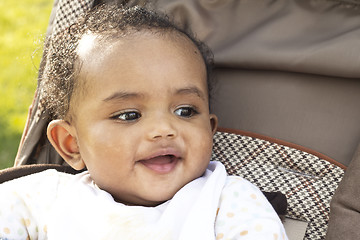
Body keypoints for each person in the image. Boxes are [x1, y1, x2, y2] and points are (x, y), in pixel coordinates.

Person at [0, 3, 288, 240]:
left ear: (210, 129)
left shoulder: (226, 201)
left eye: (185, 111)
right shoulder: (43, 199)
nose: (164, 129)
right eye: (129, 115)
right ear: (71, 144)